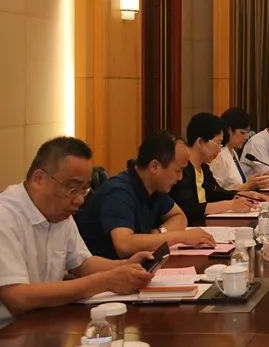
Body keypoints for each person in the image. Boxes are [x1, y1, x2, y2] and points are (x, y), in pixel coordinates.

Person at [0, 137, 155, 319]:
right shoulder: (5, 216)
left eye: (84, 189)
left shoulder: (59, 213)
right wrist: (104, 282)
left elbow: (82, 263)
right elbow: (17, 297)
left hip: (44, 320)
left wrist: (126, 265)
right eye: (72, 188)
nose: (80, 200)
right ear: (39, 179)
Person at [76, 131, 215, 259]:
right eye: (177, 171)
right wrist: (180, 237)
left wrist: (159, 233)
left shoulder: (154, 186)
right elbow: (124, 245)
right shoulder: (119, 192)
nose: (180, 178)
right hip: (104, 272)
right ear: (154, 167)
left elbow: (179, 217)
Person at [171, 113, 269, 225]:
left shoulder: (204, 168)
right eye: (218, 143)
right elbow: (188, 209)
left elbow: (218, 193)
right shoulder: (183, 170)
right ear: (200, 142)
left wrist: (244, 194)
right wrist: (230, 205)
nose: (219, 149)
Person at [210, 107, 269, 192]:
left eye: (247, 133)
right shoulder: (219, 155)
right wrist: (248, 186)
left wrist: (254, 185)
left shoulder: (232, 152)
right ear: (229, 130)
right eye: (242, 133)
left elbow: (237, 185)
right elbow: (216, 194)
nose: (246, 137)